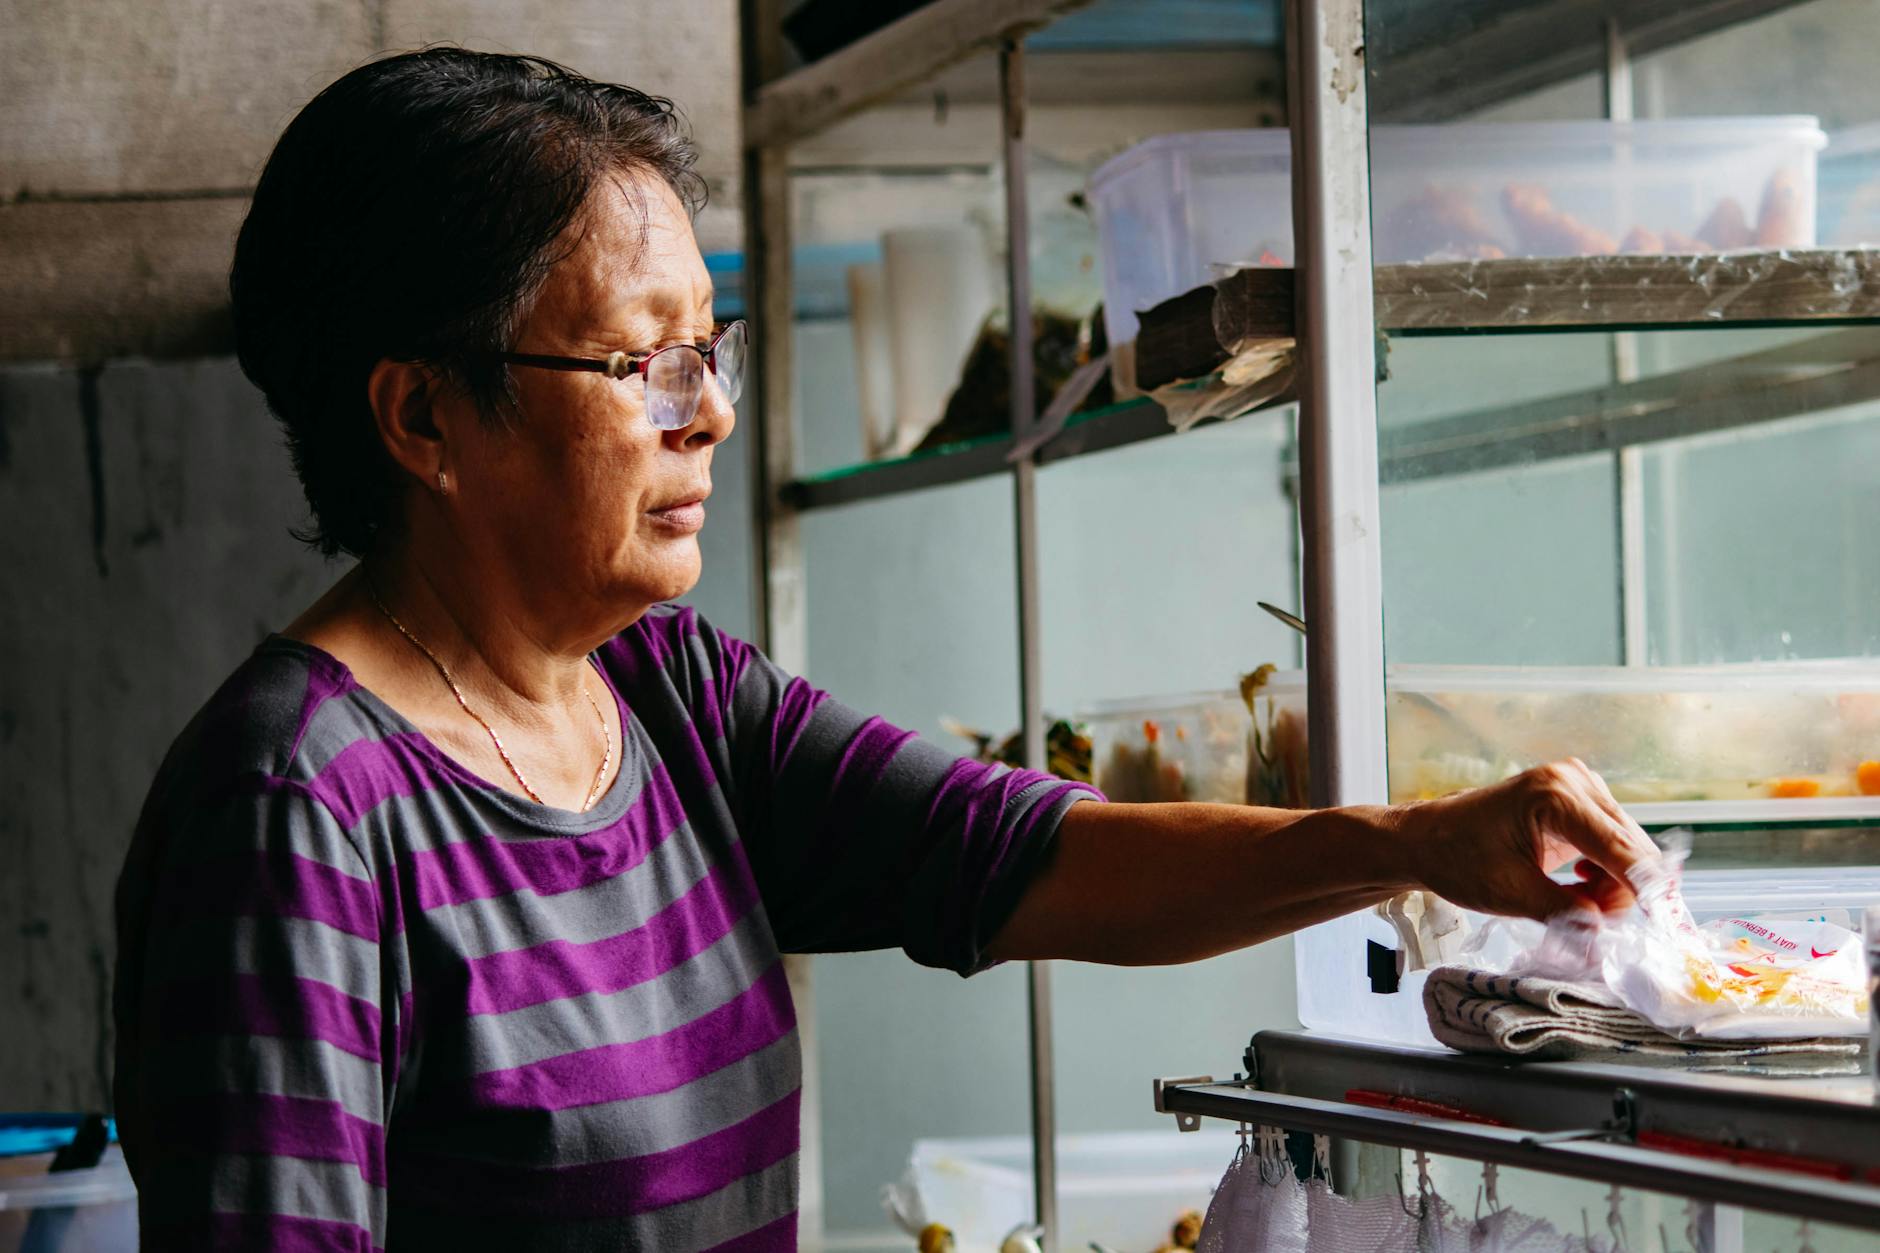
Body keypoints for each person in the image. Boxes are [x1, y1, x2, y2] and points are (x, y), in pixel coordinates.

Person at [113, 48, 1654, 1252]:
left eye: (707, 348)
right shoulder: (298, 811)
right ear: (424, 415)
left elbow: (1034, 858)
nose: (707, 409)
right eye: (642, 362)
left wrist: (1414, 842)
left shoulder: (663, 693)